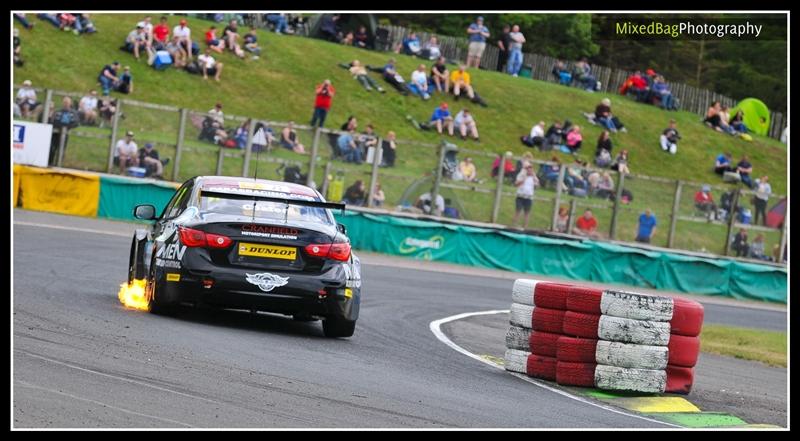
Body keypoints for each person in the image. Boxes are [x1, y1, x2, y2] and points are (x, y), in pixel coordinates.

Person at [512, 161, 538, 229]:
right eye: (528, 169)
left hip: (529, 197)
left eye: (530, 169)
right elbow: (516, 184)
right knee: (518, 211)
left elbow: (537, 186)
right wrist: (524, 178)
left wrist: (535, 180)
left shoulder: (533, 177)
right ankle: (514, 225)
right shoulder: (521, 175)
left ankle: (525, 226)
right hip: (520, 196)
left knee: (527, 212)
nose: (529, 170)